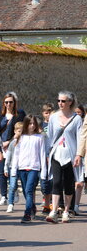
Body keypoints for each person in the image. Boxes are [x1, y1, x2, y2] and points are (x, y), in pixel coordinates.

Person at [46, 91, 83, 223]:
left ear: (70, 102)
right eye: (59, 101)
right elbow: (49, 137)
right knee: (56, 182)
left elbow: (80, 138)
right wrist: (47, 153)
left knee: (68, 184)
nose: (60, 103)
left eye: (63, 101)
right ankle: (54, 211)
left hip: (70, 155)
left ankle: (67, 211)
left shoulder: (76, 118)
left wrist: (79, 154)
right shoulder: (53, 117)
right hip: (56, 154)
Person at [10, 115, 46, 223]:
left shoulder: (39, 138)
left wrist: (43, 171)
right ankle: (32, 207)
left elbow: (42, 154)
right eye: (30, 123)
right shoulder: (21, 137)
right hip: (22, 167)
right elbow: (16, 155)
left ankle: (27, 213)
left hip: (34, 168)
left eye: (34, 124)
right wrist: (13, 170)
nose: (32, 126)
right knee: (26, 191)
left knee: (29, 190)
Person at [0, 92, 26, 206]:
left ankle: (14, 191)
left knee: (12, 171)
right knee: (1, 172)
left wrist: (10, 141)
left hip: (13, 145)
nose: (8, 104)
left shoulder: (20, 114)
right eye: (6, 102)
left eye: (11, 102)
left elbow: (21, 130)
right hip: (1, 146)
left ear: (14, 103)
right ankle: (3, 196)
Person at [4, 122, 23, 213]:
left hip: (23, 167)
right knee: (12, 185)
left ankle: (30, 205)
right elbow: (8, 155)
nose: (20, 133)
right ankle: (10, 204)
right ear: (15, 131)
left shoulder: (25, 142)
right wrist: (6, 167)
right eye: (19, 131)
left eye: (22, 131)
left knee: (26, 187)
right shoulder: (12, 143)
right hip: (13, 167)